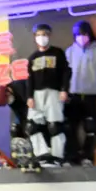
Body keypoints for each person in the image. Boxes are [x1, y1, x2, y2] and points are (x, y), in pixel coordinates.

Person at [63, 20, 96, 166]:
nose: (81, 37)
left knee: (91, 128)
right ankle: (72, 157)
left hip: (91, 95)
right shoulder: (69, 52)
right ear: (74, 36)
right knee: (70, 128)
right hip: (73, 95)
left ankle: (88, 157)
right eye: (78, 35)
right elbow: (65, 76)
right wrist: (64, 92)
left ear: (90, 34)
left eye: (84, 34)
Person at [24, 24, 72, 166]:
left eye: (44, 34)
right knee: (32, 126)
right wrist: (29, 96)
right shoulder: (32, 57)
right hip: (37, 93)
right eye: (38, 35)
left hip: (54, 92)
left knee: (54, 125)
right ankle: (42, 154)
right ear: (35, 37)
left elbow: (66, 72)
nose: (41, 37)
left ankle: (57, 156)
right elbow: (30, 79)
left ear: (49, 36)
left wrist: (64, 89)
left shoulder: (57, 53)